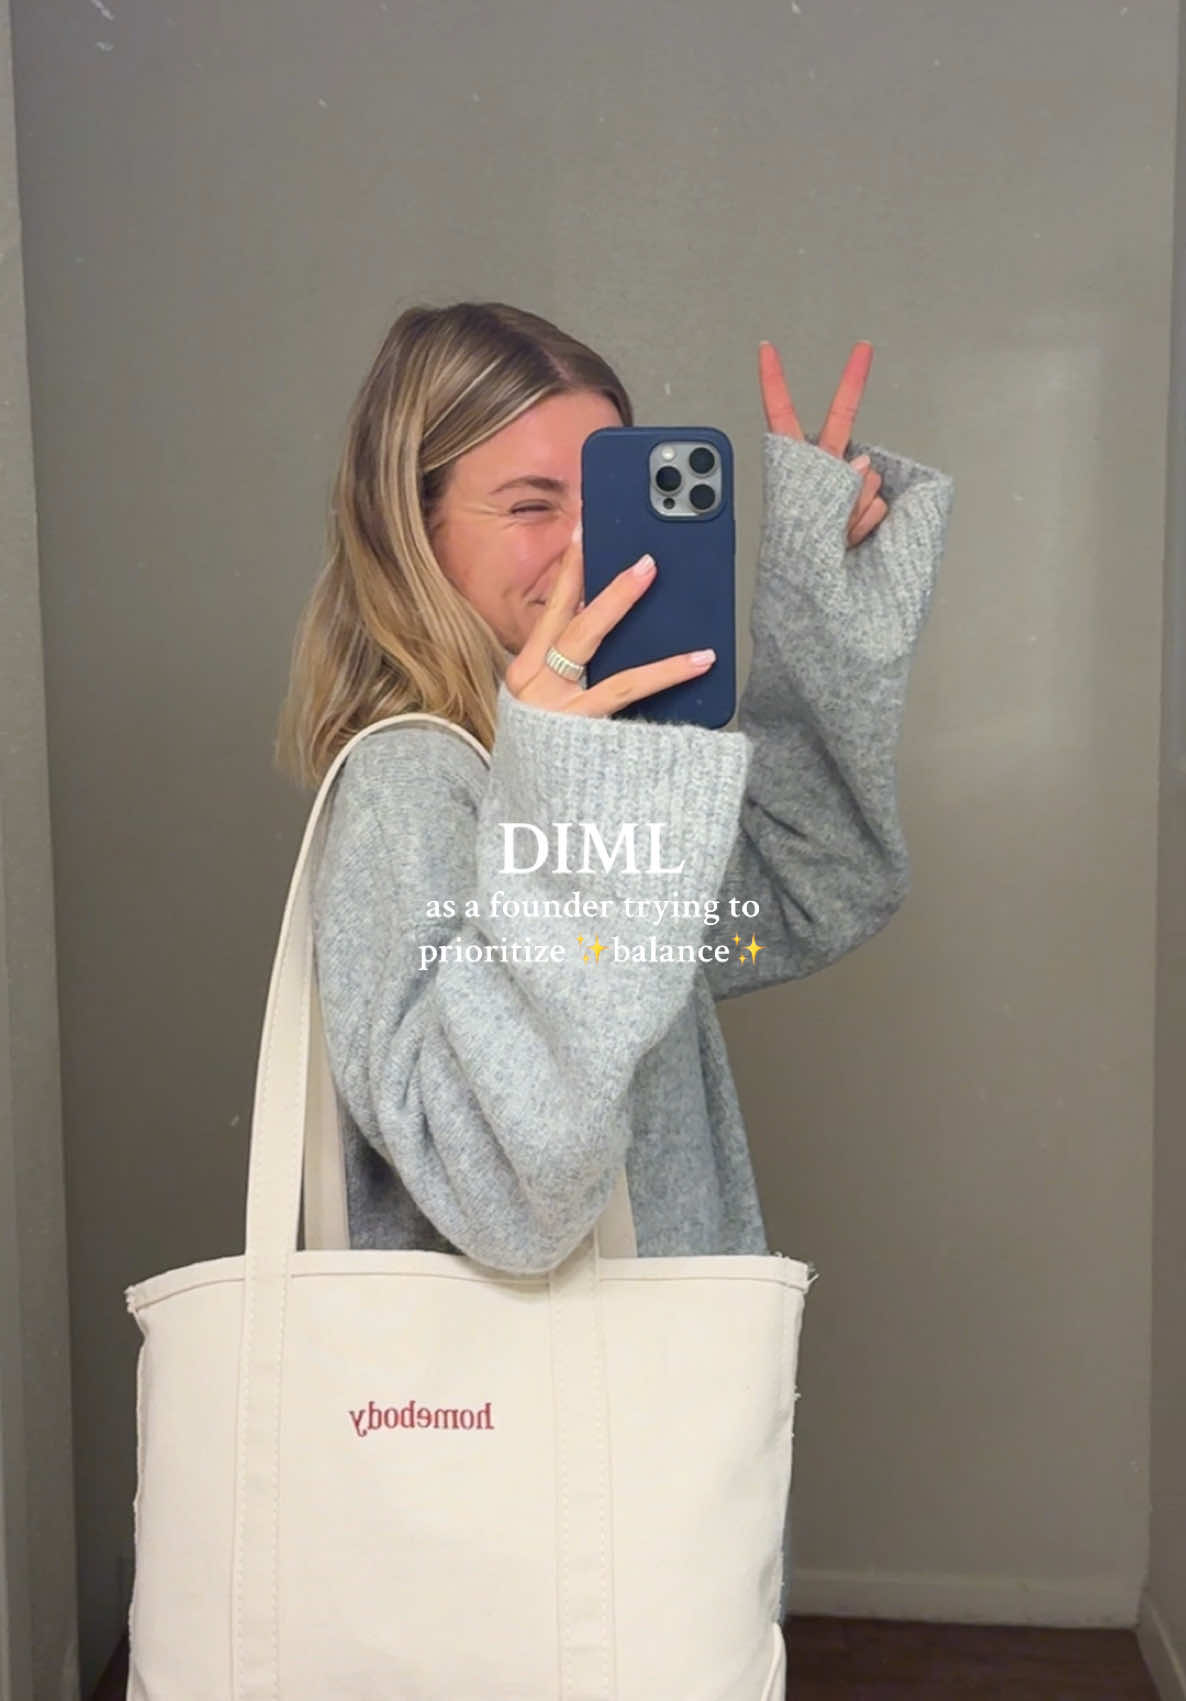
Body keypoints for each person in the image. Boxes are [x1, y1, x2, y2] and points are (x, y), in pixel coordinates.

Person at [273, 299, 954, 1623]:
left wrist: (817, 613)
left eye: (607, 497)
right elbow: (508, 1197)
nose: (586, 548)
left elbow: (805, 887)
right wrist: (571, 791)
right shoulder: (414, 787)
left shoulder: (572, 775)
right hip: (521, 1490)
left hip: (619, 1444)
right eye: (532, 504)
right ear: (408, 526)